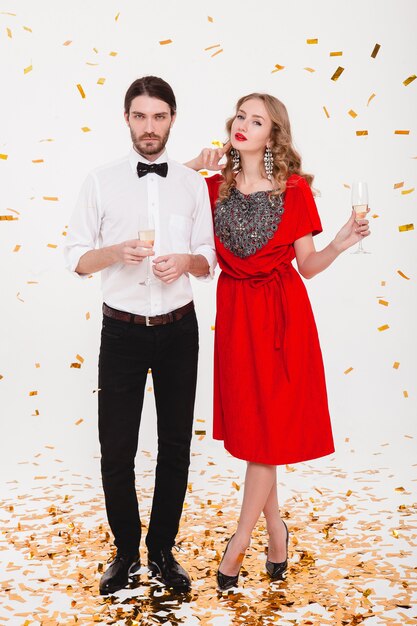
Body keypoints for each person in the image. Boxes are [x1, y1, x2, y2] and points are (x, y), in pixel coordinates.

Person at [186, 93, 370, 590]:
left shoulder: (294, 190)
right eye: (240, 116)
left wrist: (340, 241)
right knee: (254, 432)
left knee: (266, 439)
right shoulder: (209, 188)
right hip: (237, 318)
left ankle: (238, 543)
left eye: (257, 120)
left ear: (273, 134)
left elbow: (306, 266)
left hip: (283, 319)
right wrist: (190, 163)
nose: (243, 125)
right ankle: (275, 530)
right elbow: (159, 196)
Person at [64, 76, 216, 595]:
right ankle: (126, 552)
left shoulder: (192, 184)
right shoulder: (101, 181)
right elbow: (77, 259)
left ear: (172, 119)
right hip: (122, 332)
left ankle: (162, 552)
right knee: (116, 448)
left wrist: (187, 262)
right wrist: (116, 251)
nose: (149, 127)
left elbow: (208, 260)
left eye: (159, 117)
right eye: (139, 116)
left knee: (175, 446)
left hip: (179, 330)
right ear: (126, 119)